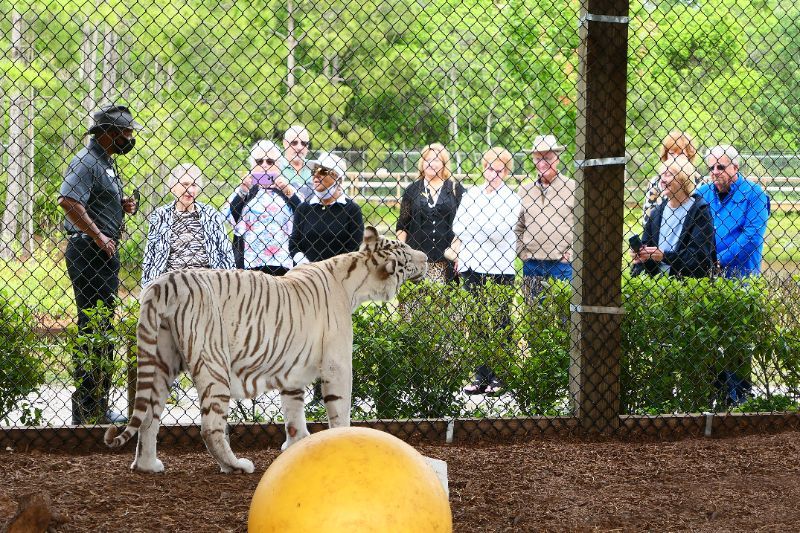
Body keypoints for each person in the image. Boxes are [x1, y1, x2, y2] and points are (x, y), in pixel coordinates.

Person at [57, 104, 141, 425]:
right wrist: (98, 236)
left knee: (102, 326)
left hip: (103, 254)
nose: (130, 138)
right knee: (92, 325)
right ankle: (86, 408)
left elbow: (93, 199)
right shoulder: (85, 161)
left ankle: (97, 404)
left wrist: (121, 204)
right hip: (89, 252)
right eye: (126, 133)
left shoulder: (106, 163)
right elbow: (68, 200)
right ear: (107, 134)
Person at [452, 147, 522, 395]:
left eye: (499, 169)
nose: (493, 173)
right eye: (489, 167)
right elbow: (458, 225)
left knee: (501, 321)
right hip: (472, 264)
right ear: (483, 168)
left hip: (500, 267)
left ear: (506, 171)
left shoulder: (512, 198)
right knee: (478, 321)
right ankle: (481, 375)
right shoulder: (471, 194)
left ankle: (500, 375)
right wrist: (479, 228)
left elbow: (501, 231)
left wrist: (476, 226)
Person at [141, 163, 235, 287]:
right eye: (185, 184)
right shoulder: (160, 215)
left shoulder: (211, 214)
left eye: (194, 185)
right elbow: (150, 256)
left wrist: (228, 287)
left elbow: (226, 254)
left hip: (206, 285)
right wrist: (147, 289)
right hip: (170, 286)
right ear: (173, 187)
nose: (190, 190)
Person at [630, 156, 716, 278]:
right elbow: (647, 255)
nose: (662, 179)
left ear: (683, 179)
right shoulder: (656, 213)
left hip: (686, 284)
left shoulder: (700, 211)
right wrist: (641, 256)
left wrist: (664, 256)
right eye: (661, 175)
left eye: (668, 174)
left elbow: (698, 259)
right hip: (656, 284)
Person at [228, 140, 301, 275]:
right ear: (252, 165)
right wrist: (243, 191)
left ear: (278, 166)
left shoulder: (290, 188)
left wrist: (287, 191)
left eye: (270, 161)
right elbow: (231, 217)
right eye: (259, 161)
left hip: (284, 263)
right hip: (250, 264)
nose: (265, 165)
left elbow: (305, 215)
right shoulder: (246, 190)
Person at [515, 135, 575, 298]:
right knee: (534, 314)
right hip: (532, 263)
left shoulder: (572, 187)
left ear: (557, 159)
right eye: (537, 159)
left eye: (547, 158)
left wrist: (571, 253)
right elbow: (517, 226)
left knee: (564, 316)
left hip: (562, 264)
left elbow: (582, 226)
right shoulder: (524, 190)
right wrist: (522, 252)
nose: (542, 163)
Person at [696, 145, 769, 278]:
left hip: (741, 277)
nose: (715, 171)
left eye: (720, 167)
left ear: (735, 167)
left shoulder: (754, 194)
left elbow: (752, 236)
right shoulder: (701, 193)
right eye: (711, 168)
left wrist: (718, 260)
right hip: (704, 274)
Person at [396, 143, 465, 283]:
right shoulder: (412, 190)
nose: (431, 164)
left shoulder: (455, 189)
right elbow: (402, 226)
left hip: (446, 262)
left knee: (444, 303)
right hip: (416, 262)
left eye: (436, 160)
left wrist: (460, 254)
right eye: (427, 159)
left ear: (444, 163)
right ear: (422, 163)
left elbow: (466, 224)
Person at [290, 152, 364, 263]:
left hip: (338, 275)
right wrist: (307, 266)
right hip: (306, 274)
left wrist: (329, 271)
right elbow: (294, 244)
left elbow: (354, 249)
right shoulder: (303, 208)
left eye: (322, 171)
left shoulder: (352, 210)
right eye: (314, 170)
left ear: (337, 177)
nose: (316, 175)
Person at [640, 130, 699, 226]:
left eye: (681, 154)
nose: (675, 158)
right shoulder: (656, 182)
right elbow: (646, 221)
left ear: (689, 156)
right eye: (671, 153)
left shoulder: (701, 182)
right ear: (666, 155)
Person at [281, 125, 314, 199]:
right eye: (294, 142)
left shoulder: (315, 167)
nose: (299, 147)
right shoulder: (273, 165)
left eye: (304, 143)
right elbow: (254, 180)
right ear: (285, 143)